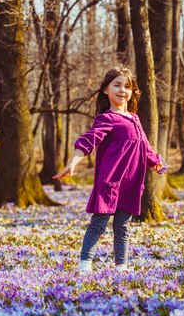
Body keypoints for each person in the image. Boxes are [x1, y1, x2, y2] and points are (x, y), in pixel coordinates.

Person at [54, 67, 166, 273]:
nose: (122, 90)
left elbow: (144, 146)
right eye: (117, 85)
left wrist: (156, 162)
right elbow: (89, 140)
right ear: (106, 89)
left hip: (131, 183)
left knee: (122, 227)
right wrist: (73, 162)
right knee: (98, 223)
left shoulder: (134, 118)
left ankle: (121, 267)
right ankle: (85, 266)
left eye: (127, 86)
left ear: (132, 92)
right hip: (110, 182)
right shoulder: (107, 118)